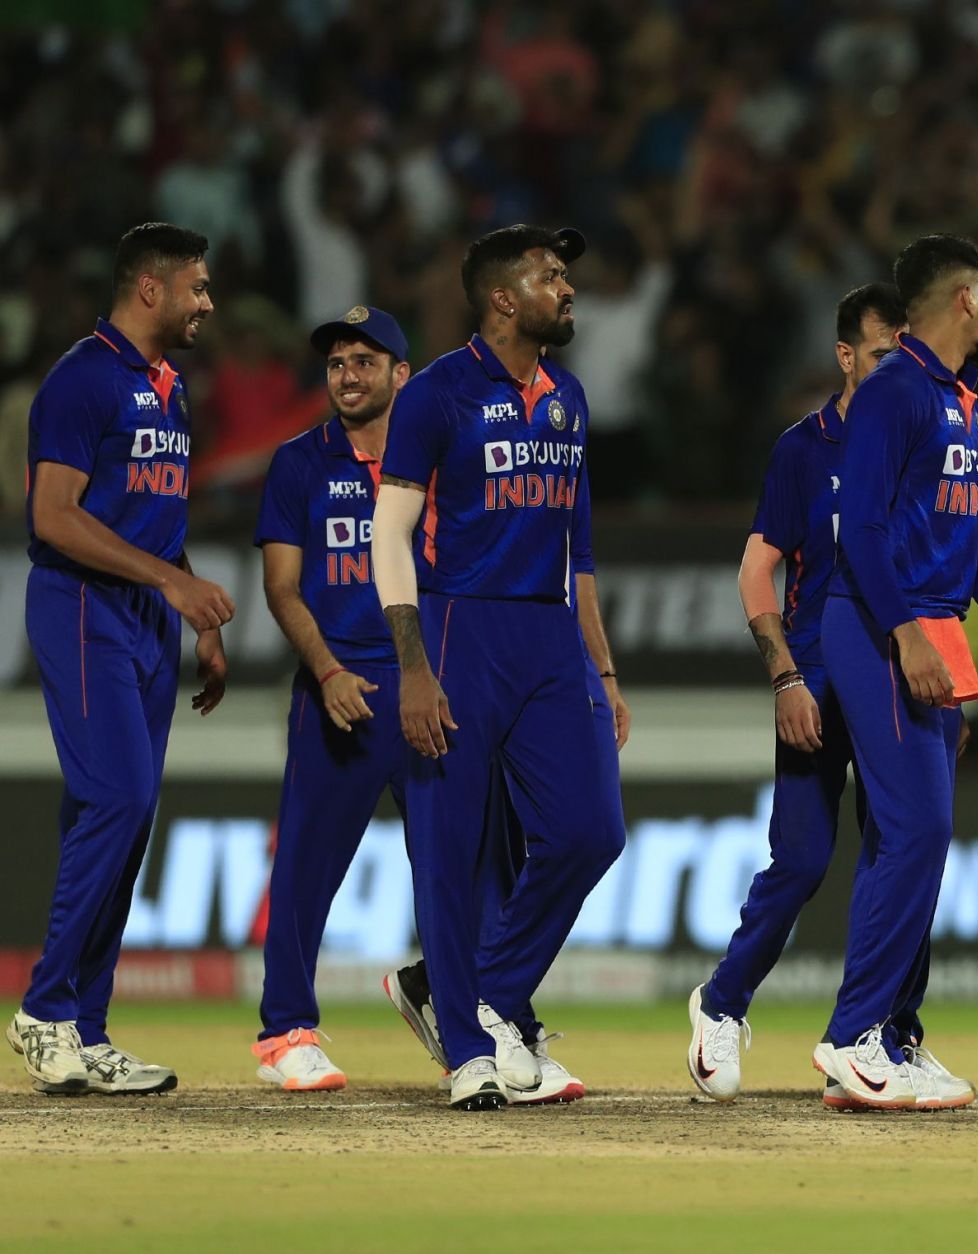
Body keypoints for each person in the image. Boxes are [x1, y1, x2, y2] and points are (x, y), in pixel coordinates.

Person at [811, 234, 978, 1110]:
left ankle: (888, 1034)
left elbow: (974, 551)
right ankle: (854, 1037)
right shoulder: (895, 391)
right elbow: (863, 535)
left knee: (911, 837)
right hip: (880, 629)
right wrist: (909, 637)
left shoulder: (958, 404)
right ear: (965, 300)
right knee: (919, 830)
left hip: (928, 630)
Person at [371, 224, 627, 1111]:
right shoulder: (437, 392)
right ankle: (471, 1054)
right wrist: (410, 666)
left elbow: (578, 549)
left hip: (549, 636)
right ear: (502, 298)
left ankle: (480, 998)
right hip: (455, 627)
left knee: (593, 830)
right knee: (448, 848)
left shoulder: (570, 395)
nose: (567, 287)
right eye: (551, 275)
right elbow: (389, 535)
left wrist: (603, 671)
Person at [686, 283, 924, 1108]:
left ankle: (889, 1036)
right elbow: (758, 567)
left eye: (906, 350)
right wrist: (785, 674)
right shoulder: (804, 449)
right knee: (804, 860)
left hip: (901, 671)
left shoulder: (927, 435)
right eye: (882, 352)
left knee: (907, 846)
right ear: (846, 356)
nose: (898, 367)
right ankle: (721, 1003)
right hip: (819, 675)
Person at [9, 223, 232, 1096]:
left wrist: (189, 606)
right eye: (199, 288)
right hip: (79, 606)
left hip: (147, 614)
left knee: (124, 818)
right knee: (120, 796)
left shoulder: (168, 388)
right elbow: (55, 519)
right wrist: (169, 587)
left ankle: (86, 1028)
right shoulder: (81, 379)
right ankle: (44, 1009)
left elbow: (148, 519)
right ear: (151, 288)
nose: (208, 304)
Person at [249, 306, 412, 1091]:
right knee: (306, 869)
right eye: (337, 362)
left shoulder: (437, 463)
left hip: (426, 691)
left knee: (466, 867)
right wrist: (328, 670)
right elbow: (282, 590)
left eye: (364, 361)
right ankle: (285, 1032)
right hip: (337, 692)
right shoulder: (298, 464)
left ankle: (466, 1009)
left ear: (400, 375)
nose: (347, 375)